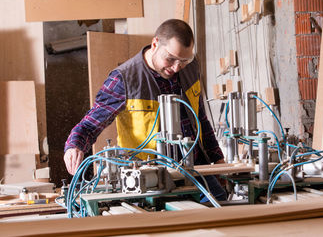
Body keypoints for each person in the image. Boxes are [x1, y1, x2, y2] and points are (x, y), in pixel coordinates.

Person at [64, 19, 226, 201]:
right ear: (155, 44)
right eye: (171, 59)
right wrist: (74, 146)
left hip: (195, 168)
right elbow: (89, 125)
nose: (176, 67)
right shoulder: (124, 79)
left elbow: (200, 119)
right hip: (150, 177)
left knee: (221, 205)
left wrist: (218, 159)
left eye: (183, 60)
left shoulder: (191, 67)